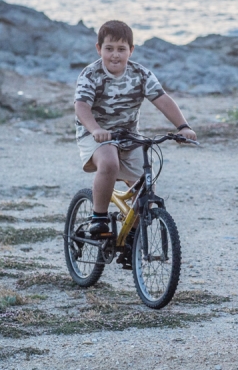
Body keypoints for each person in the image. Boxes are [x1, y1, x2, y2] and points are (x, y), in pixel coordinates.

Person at [74, 20, 196, 254]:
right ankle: (99, 217)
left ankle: (132, 236)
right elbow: (81, 107)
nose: (115, 55)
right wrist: (96, 129)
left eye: (121, 49)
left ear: (131, 50)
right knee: (109, 162)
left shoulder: (140, 74)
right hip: (95, 134)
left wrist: (183, 127)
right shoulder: (90, 74)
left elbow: (162, 100)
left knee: (147, 188)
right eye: (109, 48)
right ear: (99, 49)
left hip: (129, 137)